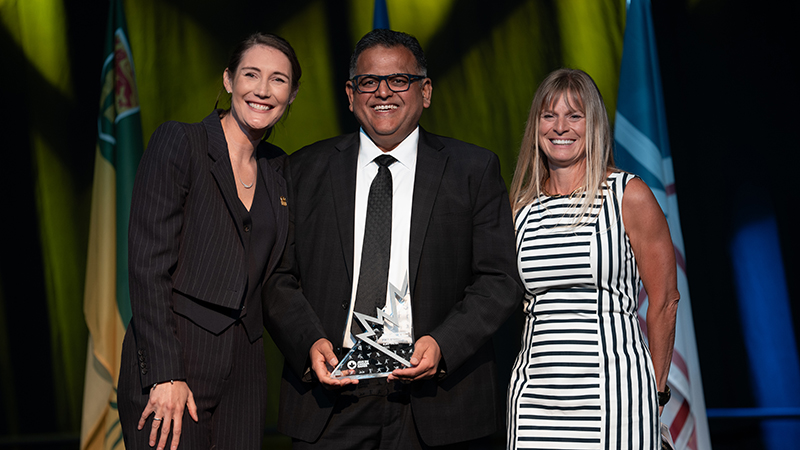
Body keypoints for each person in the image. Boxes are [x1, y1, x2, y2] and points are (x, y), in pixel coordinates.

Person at [264, 29, 523, 449]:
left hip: (439, 404)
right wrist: (308, 342)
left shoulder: (473, 170)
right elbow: (277, 276)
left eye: (399, 80)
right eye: (369, 81)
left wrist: (443, 344)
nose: (383, 92)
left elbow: (499, 280)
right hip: (331, 402)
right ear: (351, 95)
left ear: (426, 91)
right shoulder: (302, 170)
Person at [117, 33, 300, 450]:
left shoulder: (280, 170)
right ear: (228, 80)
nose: (263, 90)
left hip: (246, 375)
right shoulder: (182, 142)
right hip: (176, 361)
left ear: (291, 95)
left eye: (278, 80)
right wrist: (165, 373)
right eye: (251, 75)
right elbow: (147, 267)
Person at [506, 68, 680, 449]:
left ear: (594, 124)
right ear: (536, 125)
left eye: (574, 115)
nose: (560, 127)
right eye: (549, 115)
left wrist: (656, 391)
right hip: (535, 399)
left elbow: (665, 301)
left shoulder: (628, 195)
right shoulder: (520, 210)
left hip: (616, 396)